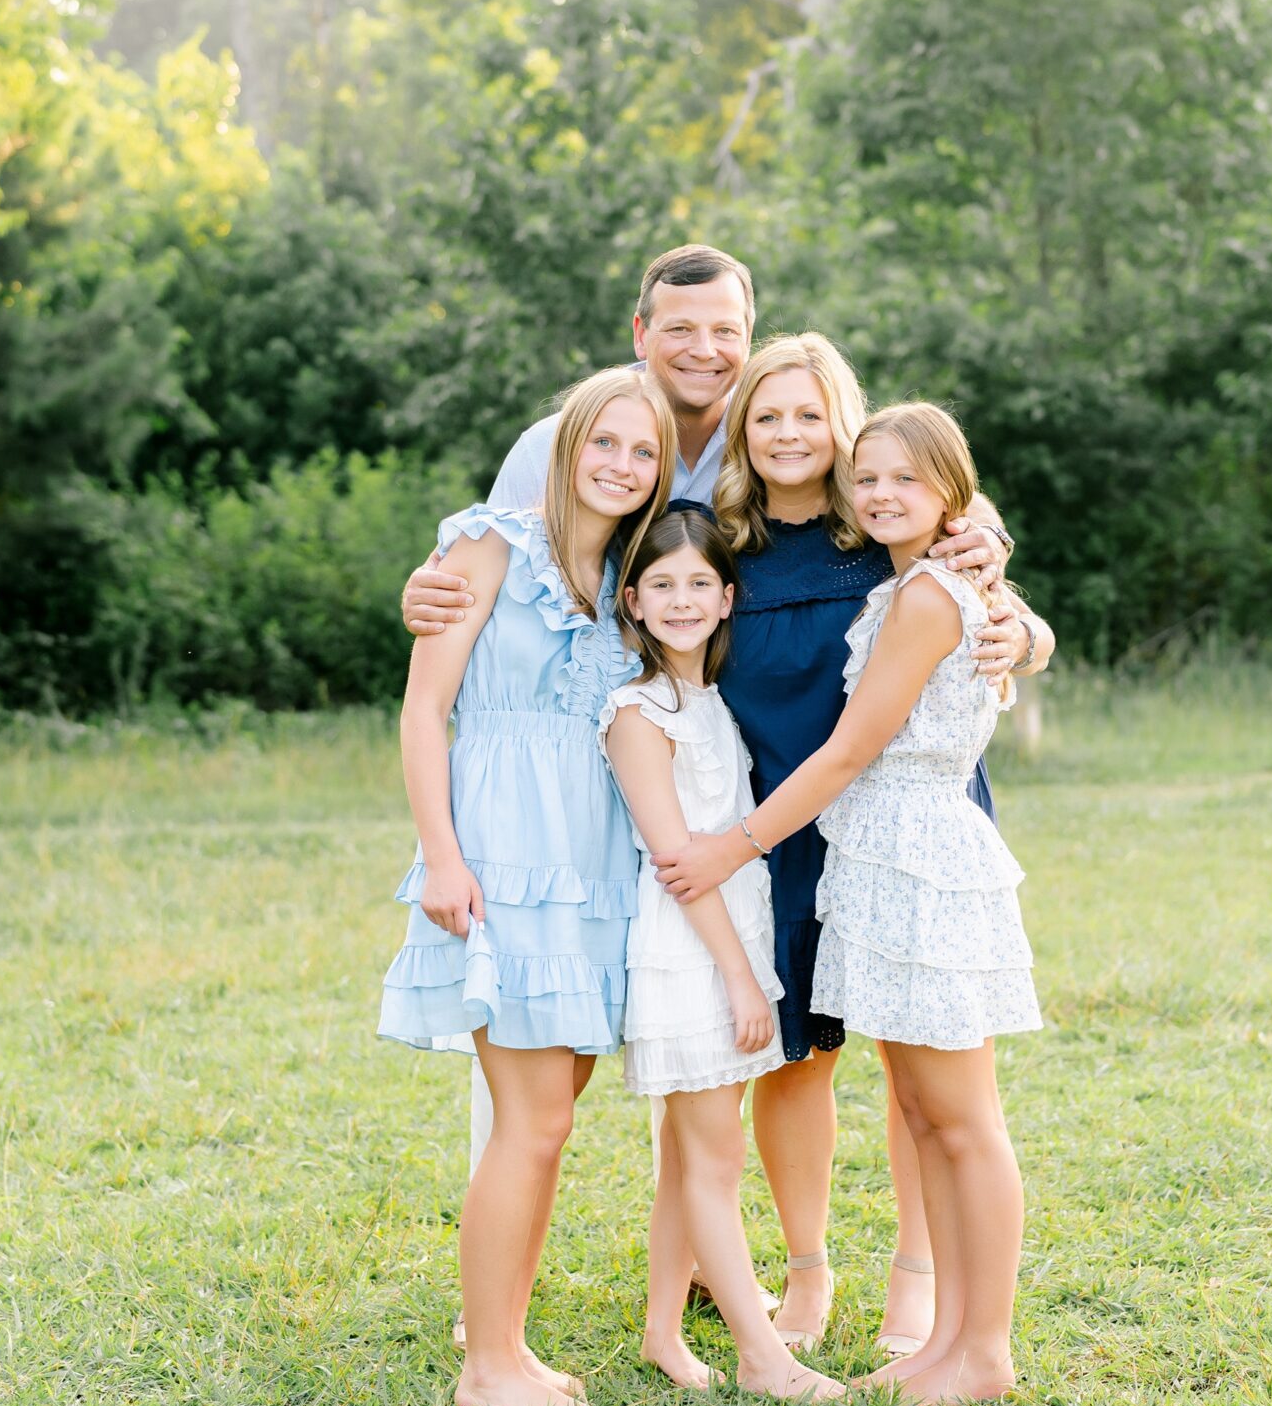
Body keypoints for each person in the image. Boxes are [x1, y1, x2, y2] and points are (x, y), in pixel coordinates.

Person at [400, 245, 1045, 1341]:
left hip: (875, 811)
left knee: (909, 1053)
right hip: (720, 802)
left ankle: (918, 1277)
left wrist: (1015, 613)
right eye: (681, 329)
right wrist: (437, 582)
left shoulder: (870, 514)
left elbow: (973, 600)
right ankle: (552, 1295)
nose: (707, 352)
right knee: (729, 1049)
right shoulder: (617, 456)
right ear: (640, 331)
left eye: (725, 332)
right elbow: (527, 568)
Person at [655, 401, 1039, 1406]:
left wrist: (734, 842)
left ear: (954, 496)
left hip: (921, 854)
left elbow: (849, 747)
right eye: (866, 478)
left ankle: (981, 1347)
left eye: (902, 481)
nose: (876, 495)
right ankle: (947, 1339)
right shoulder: (910, 580)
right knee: (921, 1107)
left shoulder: (927, 594)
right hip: (882, 859)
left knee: (962, 1120)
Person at [376, 367, 675, 1406]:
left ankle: (508, 1345)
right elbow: (424, 711)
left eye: (643, 453)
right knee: (529, 1119)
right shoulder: (490, 542)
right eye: (605, 444)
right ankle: (488, 1363)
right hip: (503, 854)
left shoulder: (631, 573)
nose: (621, 467)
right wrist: (441, 856)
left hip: (594, 861)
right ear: (565, 443)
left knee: (552, 1117)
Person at [601, 510, 846, 1402]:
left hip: (732, 941)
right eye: (660, 585)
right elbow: (678, 865)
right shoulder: (637, 714)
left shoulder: (708, 701)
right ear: (631, 600)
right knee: (713, 1159)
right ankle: (760, 1354)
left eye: (699, 583)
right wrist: (743, 980)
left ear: (728, 596)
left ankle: (664, 1332)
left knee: (688, 1153)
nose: (681, 600)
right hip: (692, 955)